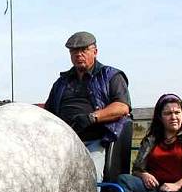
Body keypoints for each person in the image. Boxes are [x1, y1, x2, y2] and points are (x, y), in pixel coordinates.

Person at [44, 31, 131, 181]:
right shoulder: (61, 82)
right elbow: (48, 111)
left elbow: (122, 107)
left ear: (95, 52)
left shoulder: (111, 76)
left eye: (84, 50)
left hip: (96, 141)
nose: (78, 54)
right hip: (63, 141)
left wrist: (92, 118)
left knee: (90, 177)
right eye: (74, 51)